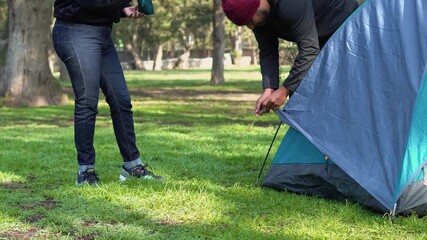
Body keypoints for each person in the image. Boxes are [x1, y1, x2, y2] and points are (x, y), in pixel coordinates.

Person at [52, 0, 162, 185]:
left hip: (103, 35)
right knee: (88, 102)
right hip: (75, 32)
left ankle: (132, 166)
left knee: (121, 100)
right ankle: (85, 172)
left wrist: (123, 8)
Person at [222, 0, 359, 115]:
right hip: (316, 36)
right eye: (246, 24)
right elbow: (268, 52)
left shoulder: (289, 3)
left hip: (345, 26)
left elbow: (309, 50)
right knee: (302, 95)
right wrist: (269, 89)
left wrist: (285, 90)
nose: (251, 26)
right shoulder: (260, 18)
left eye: (250, 19)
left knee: (338, 96)